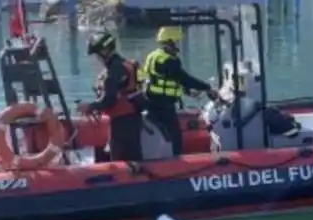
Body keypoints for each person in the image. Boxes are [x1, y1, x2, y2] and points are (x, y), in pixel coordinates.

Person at [142, 25, 216, 156]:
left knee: (168, 132)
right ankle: (176, 161)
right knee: (175, 135)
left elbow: (169, 78)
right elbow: (184, 78)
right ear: (169, 42)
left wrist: (188, 92)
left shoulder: (154, 56)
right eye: (176, 41)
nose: (177, 45)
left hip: (152, 100)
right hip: (163, 104)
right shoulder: (169, 60)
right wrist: (207, 87)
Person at [77, 30, 143, 162]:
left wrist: (89, 106)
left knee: (119, 158)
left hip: (122, 122)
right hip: (134, 118)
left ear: (103, 52)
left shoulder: (113, 72)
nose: (97, 58)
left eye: (97, 54)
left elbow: (109, 100)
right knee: (134, 154)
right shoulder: (128, 64)